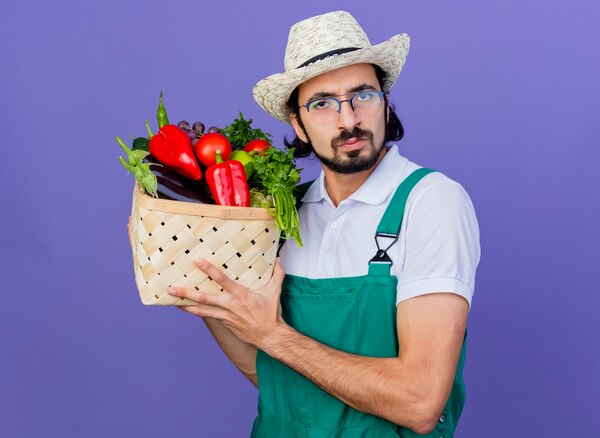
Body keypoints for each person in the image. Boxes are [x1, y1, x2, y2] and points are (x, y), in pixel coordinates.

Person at [167, 10, 480, 437]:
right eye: (322, 104)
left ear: (385, 101)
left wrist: (273, 335)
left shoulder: (430, 202)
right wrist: (209, 301)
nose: (348, 119)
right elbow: (274, 378)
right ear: (297, 123)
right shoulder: (283, 214)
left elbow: (421, 400)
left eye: (363, 95)